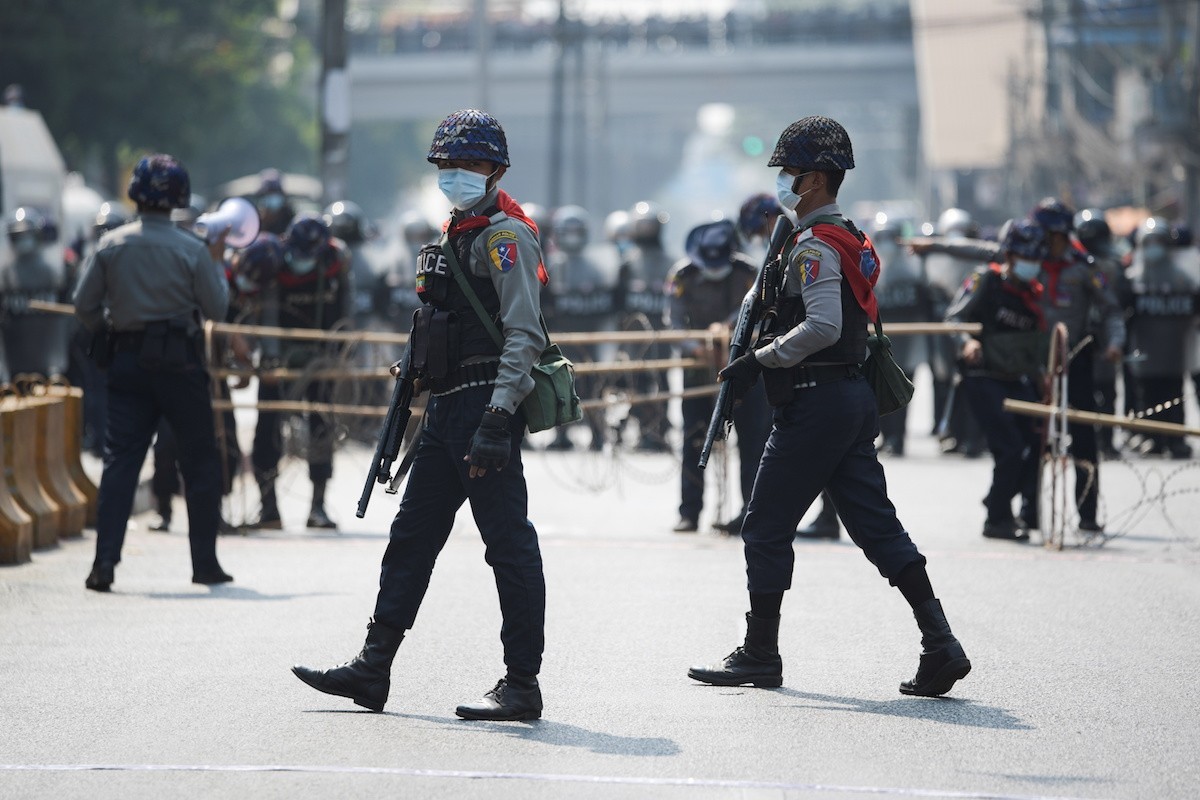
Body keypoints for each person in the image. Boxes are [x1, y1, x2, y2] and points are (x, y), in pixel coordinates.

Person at [688, 116, 970, 697]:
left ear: (815, 179)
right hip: (846, 398)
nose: (784, 183)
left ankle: (761, 654)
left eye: (790, 173)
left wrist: (759, 360)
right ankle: (940, 642)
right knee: (876, 526)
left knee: (764, 526)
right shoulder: (848, 236)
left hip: (815, 400)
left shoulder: (815, 245)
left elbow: (823, 325)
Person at [292, 108, 551, 721]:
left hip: (486, 403)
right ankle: (372, 668)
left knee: (508, 546)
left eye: (467, 164)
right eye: (447, 165)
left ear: (494, 169)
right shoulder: (455, 233)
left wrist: (497, 417)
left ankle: (522, 684)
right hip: (445, 409)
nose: (455, 174)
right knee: (410, 538)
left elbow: (524, 335)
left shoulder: (505, 237)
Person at [72, 154, 233, 591]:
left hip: (127, 361)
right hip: (180, 363)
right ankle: (204, 565)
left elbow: (84, 306)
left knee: (121, 462)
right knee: (199, 461)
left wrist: (110, 328)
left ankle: (104, 564)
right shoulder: (192, 249)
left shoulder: (111, 246)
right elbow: (218, 308)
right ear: (178, 197)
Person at [944, 221, 1050, 539]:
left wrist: (1042, 377)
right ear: (1010, 255)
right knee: (1010, 448)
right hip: (983, 377)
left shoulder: (1034, 293)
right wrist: (967, 342)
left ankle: (999, 497)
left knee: (1036, 444)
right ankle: (997, 519)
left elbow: (1035, 342)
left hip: (1017, 378)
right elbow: (953, 319)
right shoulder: (985, 280)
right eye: (1023, 256)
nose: (1031, 263)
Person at [248, 214, 352, 530]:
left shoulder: (338, 260)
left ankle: (317, 507)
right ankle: (268, 508)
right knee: (266, 428)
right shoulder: (275, 260)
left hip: (320, 360)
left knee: (322, 427)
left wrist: (340, 353)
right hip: (277, 357)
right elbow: (265, 311)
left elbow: (347, 310)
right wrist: (268, 357)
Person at [667, 219, 770, 534]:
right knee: (694, 439)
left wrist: (734, 341)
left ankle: (751, 512)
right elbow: (672, 324)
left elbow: (764, 317)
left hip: (745, 368)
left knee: (754, 441)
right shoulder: (682, 275)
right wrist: (697, 348)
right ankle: (690, 512)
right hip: (698, 369)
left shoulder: (750, 273)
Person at [1121, 217, 1197, 459]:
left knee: (1174, 395)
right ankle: (1151, 438)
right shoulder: (1133, 280)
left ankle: (1176, 440)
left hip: (1175, 353)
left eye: (1159, 242)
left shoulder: (1184, 281)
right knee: (1147, 396)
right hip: (1143, 351)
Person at [544, 204, 615, 451]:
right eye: (568, 231)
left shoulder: (597, 267)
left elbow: (608, 304)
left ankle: (597, 433)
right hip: (560, 339)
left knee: (593, 386)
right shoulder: (550, 266)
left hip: (591, 340)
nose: (572, 236)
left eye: (577, 231)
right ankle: (561, 435)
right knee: (559, 387)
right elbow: (544, 303)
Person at [614, 200, 677, 451]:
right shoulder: (627, 264)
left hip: (661, 334)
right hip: (634, 336)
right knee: (637, 382)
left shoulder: (671, 263)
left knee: (662, 380)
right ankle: (643, 428)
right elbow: (618, 302)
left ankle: (661, 429)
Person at [0, 206, 68, 381]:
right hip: (14, 360)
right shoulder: (5, 275)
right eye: (18, 236)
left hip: (46, 362)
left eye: (27, 235)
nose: (24, 241)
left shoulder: (51, 274)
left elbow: (61, 324)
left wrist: (58, 361)